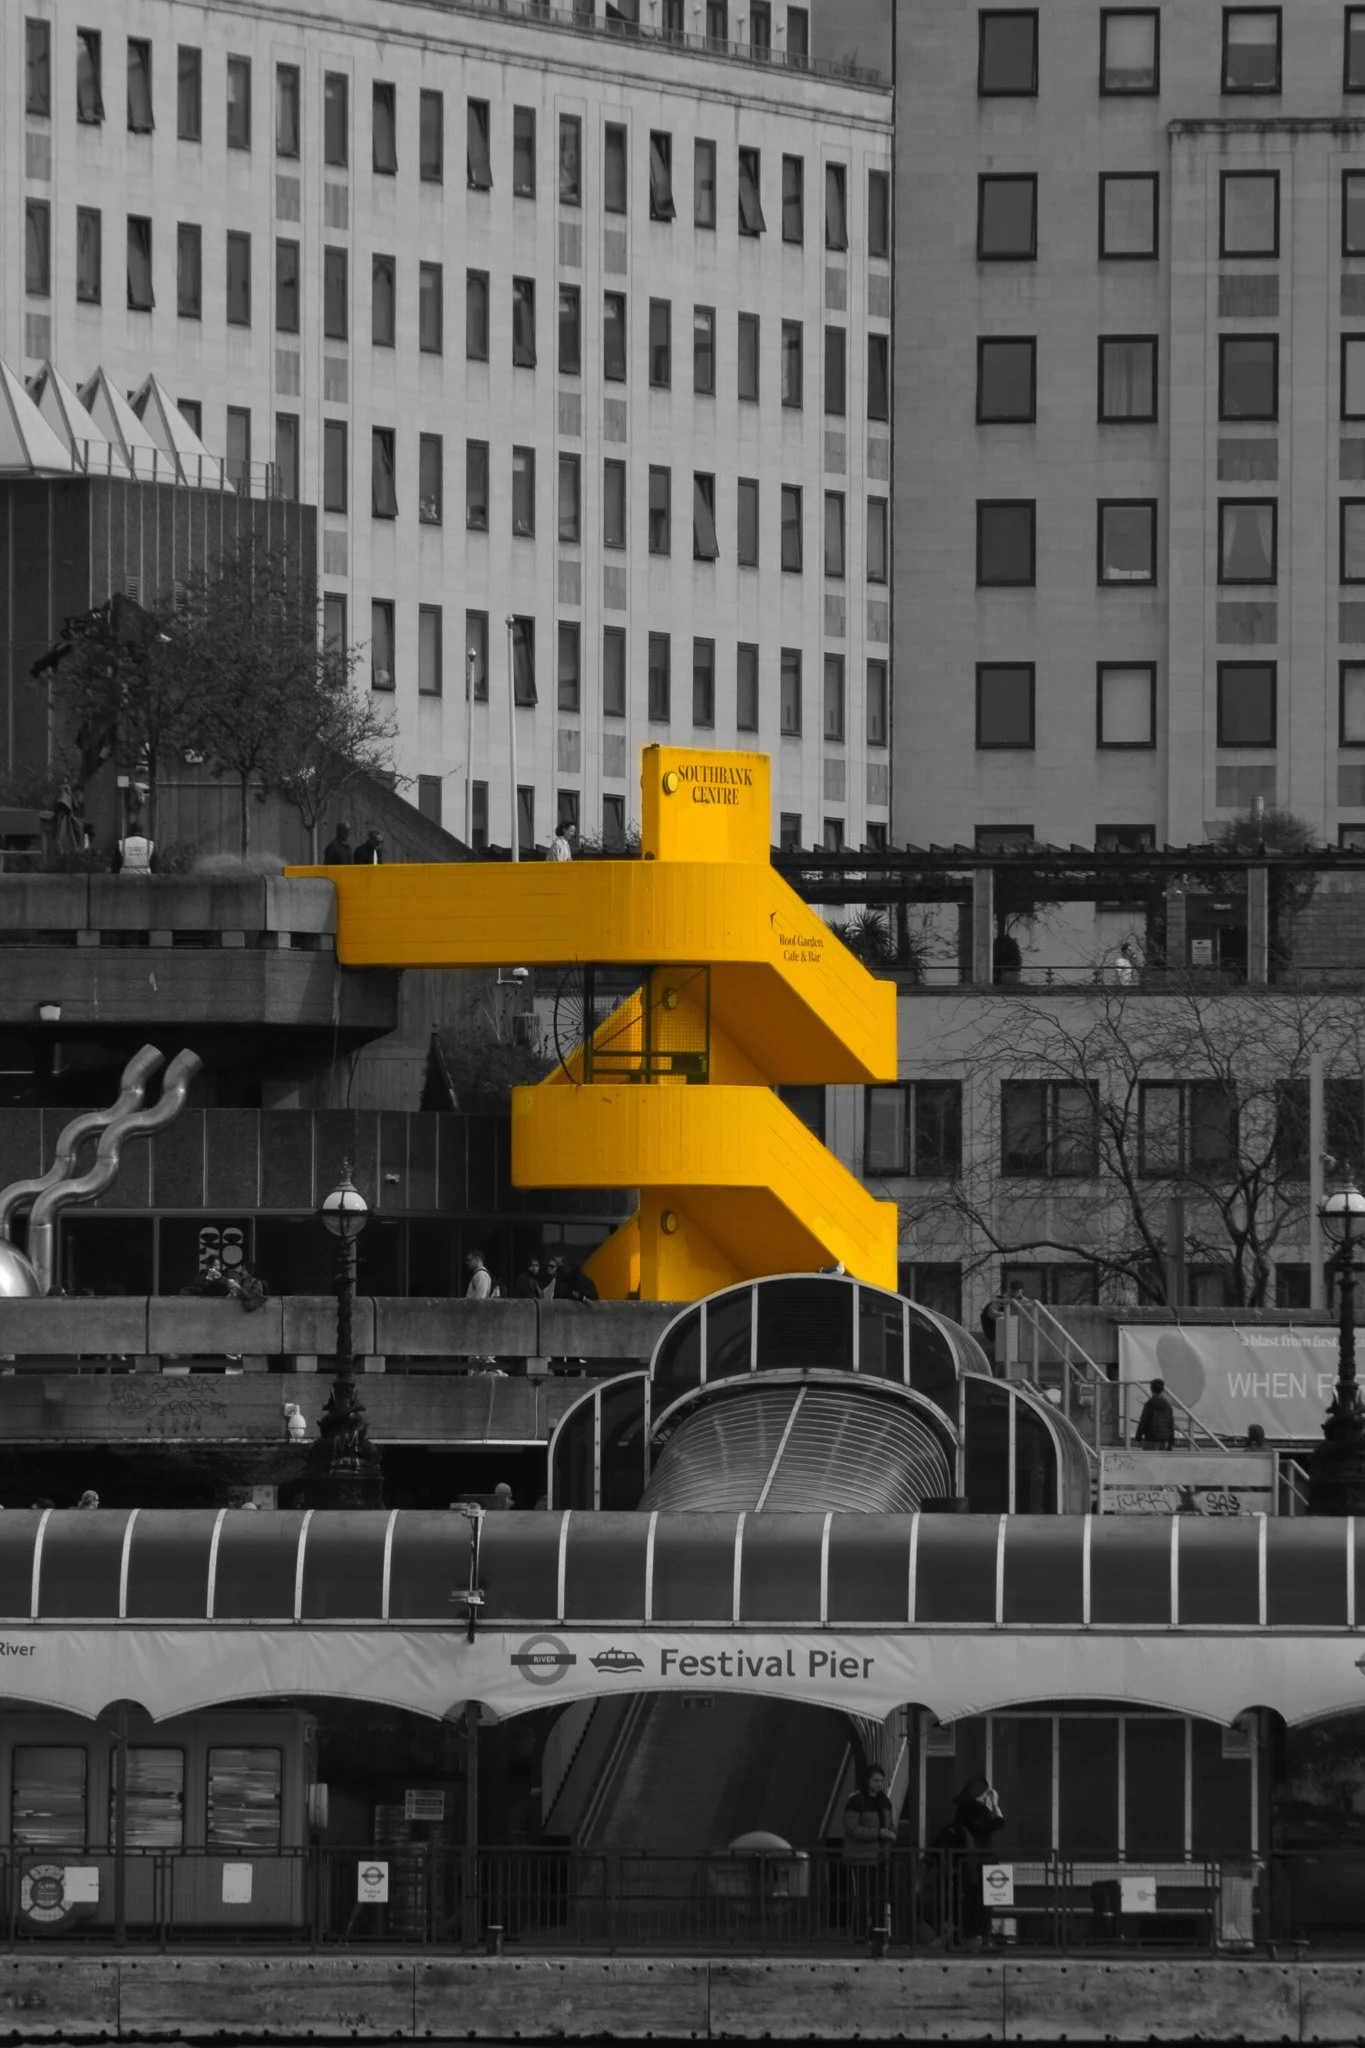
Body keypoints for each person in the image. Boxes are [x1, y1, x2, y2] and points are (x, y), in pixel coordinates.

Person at [934, 1776, 1005, 1948]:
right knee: (981, 1902)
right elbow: (999, 1823)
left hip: (966, 1862)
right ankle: (978, 1936)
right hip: (979, 1862)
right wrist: (995, 1804)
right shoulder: (975, 1808)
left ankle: (965, 1936)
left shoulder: (961, 1808)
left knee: (966, 1900)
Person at [842, 1764, 896, 1939]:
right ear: (867, 1781)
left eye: (882, 1780)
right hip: (861, 1857)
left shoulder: (885, 1801)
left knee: (879, 1898)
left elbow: (890, 1823)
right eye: (876, 1780)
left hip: (880, 1857)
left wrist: (891, 1833)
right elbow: (852, 1828)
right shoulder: (857, 1800)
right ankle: (859, 1934)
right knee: (863, 1897)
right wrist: (878, 1833)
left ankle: (878, 1933)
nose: (880, 1784)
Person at [1135, 1376, 1176, 1448]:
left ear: (1151, 1389)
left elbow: (1143, 1421)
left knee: (1150, 1459)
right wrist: (1171, 1441)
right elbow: (1171, 1424)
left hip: (1151, 1438)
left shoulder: (1149, 1404)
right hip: (1164, 1439)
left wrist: (1138, 1437)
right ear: (1162, 1389)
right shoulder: (1168, 1405)